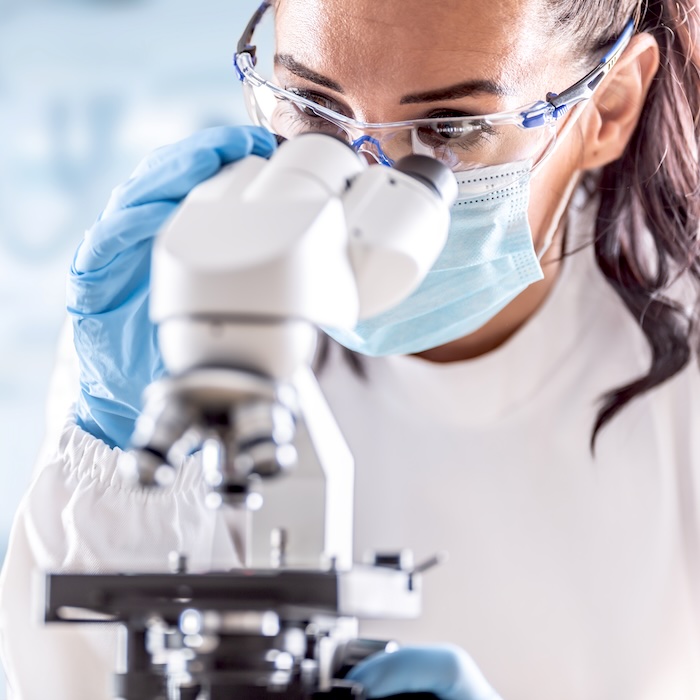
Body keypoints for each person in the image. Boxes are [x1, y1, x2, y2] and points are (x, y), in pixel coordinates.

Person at [1, 0, 700, 697]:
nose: (367, 180)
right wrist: (110, 456)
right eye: (313, 111)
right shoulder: (173, 320)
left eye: (450, 127)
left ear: (607, 108)